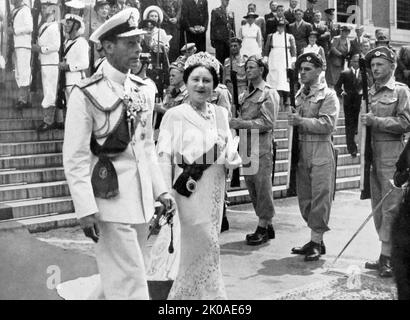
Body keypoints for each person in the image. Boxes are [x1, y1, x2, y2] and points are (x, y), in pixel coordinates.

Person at [63, 7, 176, 300]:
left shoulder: (144, 90)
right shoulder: (85, 93)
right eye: (130, 43)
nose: (139, 49)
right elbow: (75, 156)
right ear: (108, 46)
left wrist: (160, 191)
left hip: (139, 203)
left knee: (118, 277)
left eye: (139, 42)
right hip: (107, 201)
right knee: (131, 284)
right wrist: (85, 207)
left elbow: (146, 147)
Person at [156, 51, 241, 299]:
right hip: (187, 190)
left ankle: (207, 296)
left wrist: (232, 158)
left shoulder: (220, 114)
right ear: (186, 82)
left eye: (207, 80)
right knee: (199, 243)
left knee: (211, 243)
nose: (201, 85)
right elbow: (162, 156)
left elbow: (228, 148)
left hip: (214, 189)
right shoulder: (174, 115)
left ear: (215, 85)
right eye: (195, 79)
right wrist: (163, 193)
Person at [360, 47, 410, 278]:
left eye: (380, 64)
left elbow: (404, 123)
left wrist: (376, 121)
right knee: (378, 207)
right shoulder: (369, 92)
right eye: (372, 65)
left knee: (391, 208)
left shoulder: (400, 91)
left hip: (392, 153)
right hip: (373, 154)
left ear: (392, 66)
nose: (375, 68)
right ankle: (384, 253)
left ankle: (388, 257)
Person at [288, 52, 339, 262]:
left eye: (307, 69)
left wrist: (301, 121)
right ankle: (315, 239)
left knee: (320, 197)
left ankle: (316, 240)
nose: (302, 73)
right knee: (305, 197)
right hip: (302, 149)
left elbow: (328, 125)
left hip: (320, 148)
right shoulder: (299, 94)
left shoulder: (329, 95)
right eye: (301, 69)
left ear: (319, 71)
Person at [230, 55, 279, 246]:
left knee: (262, 187)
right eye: (246, 67)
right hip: (247, 146)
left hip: (261, 147)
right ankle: (267, 224)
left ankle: (262, 226)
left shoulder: (268, 93)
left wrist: (241, 123)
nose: (247, 70)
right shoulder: (245, 94)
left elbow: (268, 123)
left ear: (261, 69)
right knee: (252, 186)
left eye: (251, 67)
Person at [32, 0, 61, 132]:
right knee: (47, 90)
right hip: (45, 62)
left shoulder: (54, 27)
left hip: (51, 63)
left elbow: (56, 46)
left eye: (47, 7)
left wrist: (40, 49)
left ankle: (48, 120)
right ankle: (47, 119)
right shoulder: (45, 25)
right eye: (43, 7)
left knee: (50, 91)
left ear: (53, 10)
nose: (44, 10)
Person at [264, 19, 296, 109]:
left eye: (282, 26)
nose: (280, 28)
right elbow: (266, 48)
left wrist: (293, 59)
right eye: (279, 26)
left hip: (285, 57)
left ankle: (286, 99)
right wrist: (265, 57)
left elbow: (293, 48)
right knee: (274, 77)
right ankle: (275, 99)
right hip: (274, 57)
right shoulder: (271, 36)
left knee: (284, 78)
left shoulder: (289, 36)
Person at [334, 53, 362, 158]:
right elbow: (337, 87)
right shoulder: (345, 73)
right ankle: (352, 149)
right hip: (348, 103)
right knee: (349, 126)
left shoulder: (364, 74)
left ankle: (358, 145)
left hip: (359, 103)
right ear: (351, 62)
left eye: (358, 61)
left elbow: (368, 86)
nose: (357, 63)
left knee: (356, 126)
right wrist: (342, 93)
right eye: (355, 61)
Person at [8, 0, 33, 109]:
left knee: (24, 72)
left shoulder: (25, 10)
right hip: (16, 45)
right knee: (18, 72)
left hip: (23, 45)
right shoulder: (14, 10)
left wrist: (15, 30)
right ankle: (23, 98)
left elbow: (29, 27)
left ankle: (24, 99)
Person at [60, 13, 89, 100]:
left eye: (68, 23)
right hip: (66, 81)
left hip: (76, 81)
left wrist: (68, 66)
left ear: (76, 25)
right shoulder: (67, 42)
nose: (65, 26)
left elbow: (85, 64)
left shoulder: (81, 42)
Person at [210, 0, 235, 64]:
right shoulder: (215, 11)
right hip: (219, 40)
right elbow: (213, 26)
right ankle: (220, 73)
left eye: (228, 0)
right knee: (219, 60)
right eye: (225, 0)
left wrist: (234, 39)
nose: (227, 2)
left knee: (229, 60)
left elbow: (233, 27)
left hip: (228, 40)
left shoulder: (231, 12)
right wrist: (212, 39)